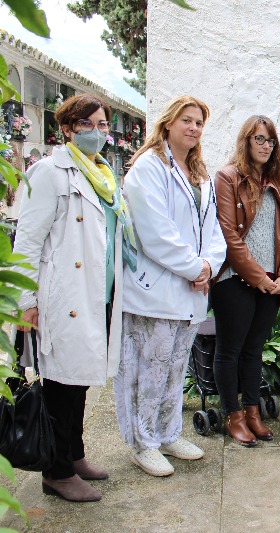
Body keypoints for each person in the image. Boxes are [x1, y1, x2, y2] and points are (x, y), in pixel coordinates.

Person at [12, 94, 136, 502]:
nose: (99, 133)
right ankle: (56, 469)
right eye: (89, 125)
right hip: (64, 294)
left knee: (81, 379)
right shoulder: (49, 172)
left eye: (103, 126)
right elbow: (26, 242)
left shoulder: (101, 173)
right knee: (61, 384)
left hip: (97, 294)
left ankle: (74, 453)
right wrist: (24, 301)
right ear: (66, 129)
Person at [116, 95, 226, 476]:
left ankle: (168, 433)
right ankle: (142, 443)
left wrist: (210, 265)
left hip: (191, 289)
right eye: (187, 120)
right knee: (148, 370)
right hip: (155, 290)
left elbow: (215, 231)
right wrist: (196, 268)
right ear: (167, 123)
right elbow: (155, 233)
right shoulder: (148, 168)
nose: (194, 128)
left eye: (199, 123)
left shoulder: (200, 175)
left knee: (177, 368)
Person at [212, 115, 280, 445]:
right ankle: (233, 416)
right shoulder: (227, 177)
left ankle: (252, 412)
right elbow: (228, 235)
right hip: (235, 278)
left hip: (273, 281)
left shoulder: (279, 180)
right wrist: (257, 276)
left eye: (270, 140)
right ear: (246, 141)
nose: (265, 146)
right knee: (230, 351)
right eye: (259, 139)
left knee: (254, 350)